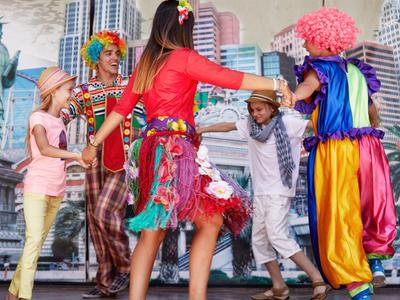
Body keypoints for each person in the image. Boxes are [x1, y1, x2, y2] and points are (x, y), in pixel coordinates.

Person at [81, 1, 293, 299]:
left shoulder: (146, 64)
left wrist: (93, 144)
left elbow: (120, 110)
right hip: (176, 149)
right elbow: (229, 77)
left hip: (155, 149)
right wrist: (276, 83)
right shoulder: (184, 57)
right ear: (184, 27)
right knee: (205, 220)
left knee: (160, 230)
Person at [284, 7, 397, 300]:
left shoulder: (317, 67)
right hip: (368, 146)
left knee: (340, 214)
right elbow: (373, 112)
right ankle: (375, 261)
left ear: (323, 41)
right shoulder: (357, 71)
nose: (305, 44)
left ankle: (358, 285)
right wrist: (370, 127)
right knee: (371, 203)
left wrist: (291, 96)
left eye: (309, 39)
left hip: (337, 150)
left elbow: (308, 86)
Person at [197, 90, 330, 300]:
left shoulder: (289, 123)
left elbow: (316, 124)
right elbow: (228, 126)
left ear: (272, 108)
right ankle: (279, 287)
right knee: (259, 240)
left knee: (277, 236)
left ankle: (317, 279)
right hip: (260, 192)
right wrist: (203, 128)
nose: (255, 113)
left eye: (259, 109)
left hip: (279, 191)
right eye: (252, 110)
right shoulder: (249, 126)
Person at [62, 31, 145, 299]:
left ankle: (125, 266)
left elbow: (149, 113)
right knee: (96, 222)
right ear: (95, 58)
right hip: (95, 161)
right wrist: (46, 123)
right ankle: (105, 282)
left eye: (116, 54)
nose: (114, 58)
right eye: (108, 53)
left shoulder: (131, 86)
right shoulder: (85, 91)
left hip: (124, 160)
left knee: (104, 212)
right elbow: (65, 113)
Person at [6, 67, 88, 300]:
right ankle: (24, 296)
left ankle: (13, 292)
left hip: (56, 190)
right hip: (37, 189)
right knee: (33, 243)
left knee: (36, 244)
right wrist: (77, 155)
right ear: (53, 91)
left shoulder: (61, 120)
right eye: (68, 90)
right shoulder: (37, 118)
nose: (71, 94)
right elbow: (44, 148)